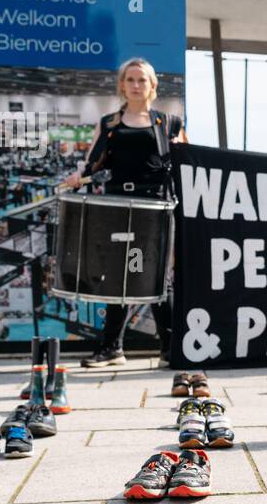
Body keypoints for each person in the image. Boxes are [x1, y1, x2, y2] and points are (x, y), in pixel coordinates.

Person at [62, 57, 187, 367]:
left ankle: (170, 349)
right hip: (117, 208)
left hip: (155, 208)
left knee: (156, 277)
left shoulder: (168, 124)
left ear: (152, 86)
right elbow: (93, 162)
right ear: (121, 85)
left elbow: (188, 163)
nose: (135, 85)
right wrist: (79, 176)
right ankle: (112, 348)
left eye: (141, 80)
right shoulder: (109, 124)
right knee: (120, 275)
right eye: (130, 80)